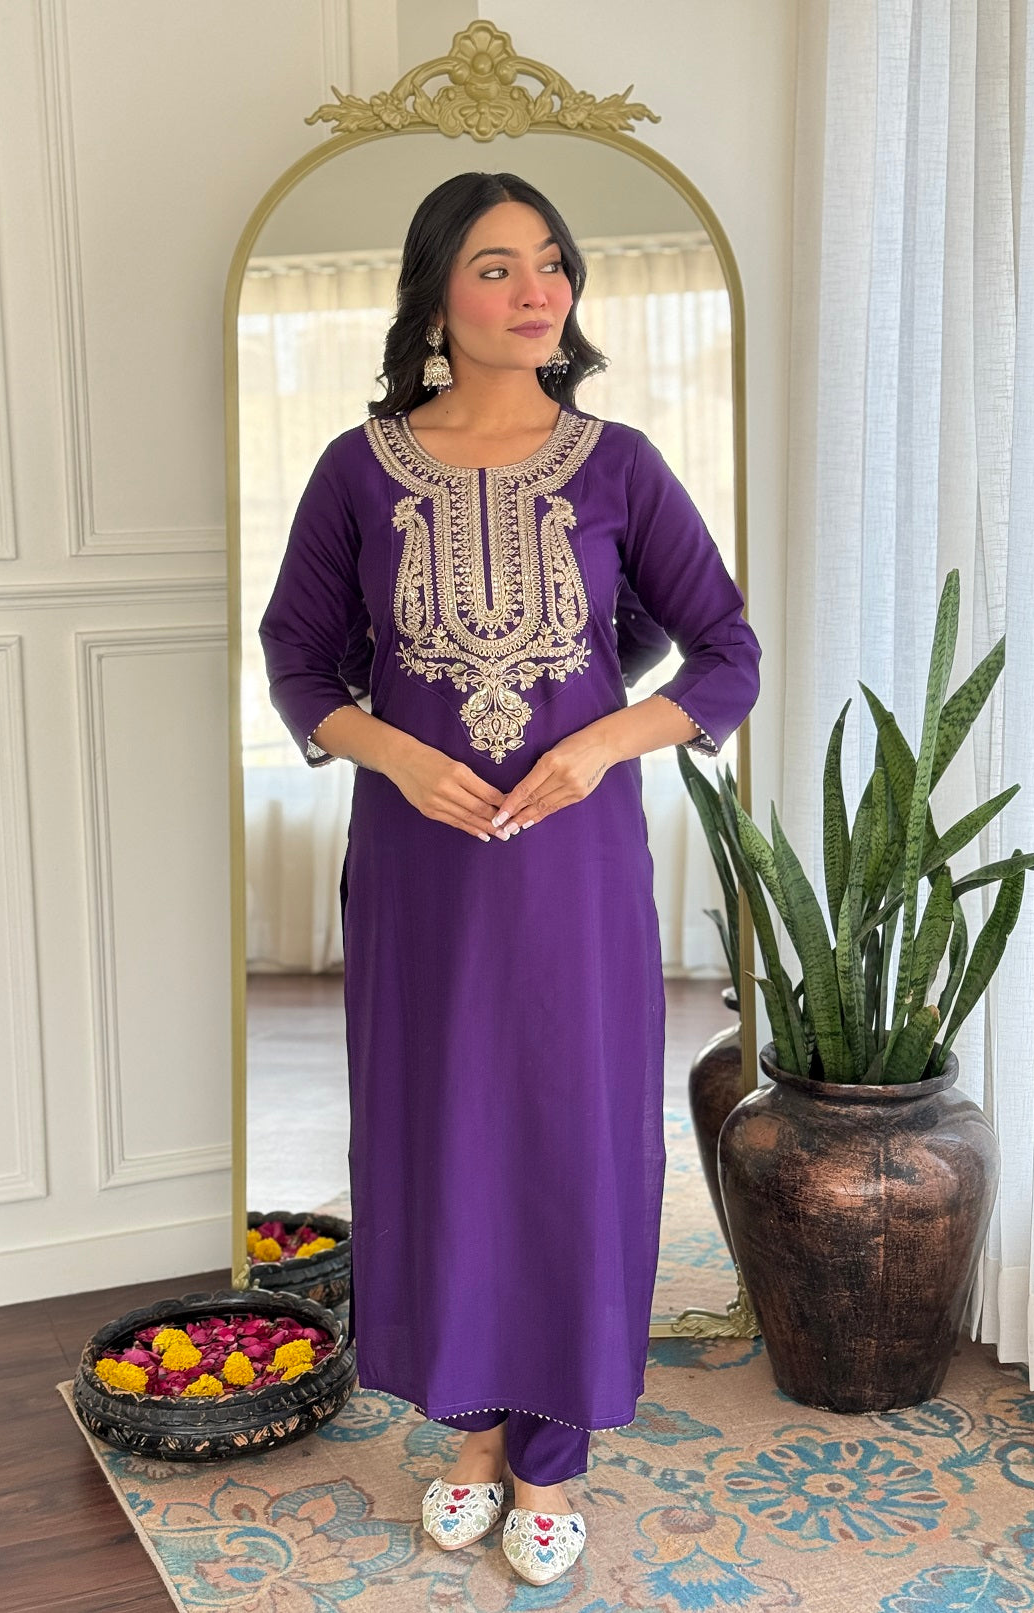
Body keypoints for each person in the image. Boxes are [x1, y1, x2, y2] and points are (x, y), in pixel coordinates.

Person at [258, 170, 761, 1588]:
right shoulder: (357, 469)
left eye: (552, 262)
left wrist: (598, 737)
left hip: (572, 867)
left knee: (567, 1128)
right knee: (441, 1124)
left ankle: (554, 1451)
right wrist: (398, 753)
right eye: (496, 266)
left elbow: (722, 649)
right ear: (433, 295)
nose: (538, 290)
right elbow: (298, 660)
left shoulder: (619, 465)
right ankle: (470, 1430)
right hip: (419, 863)